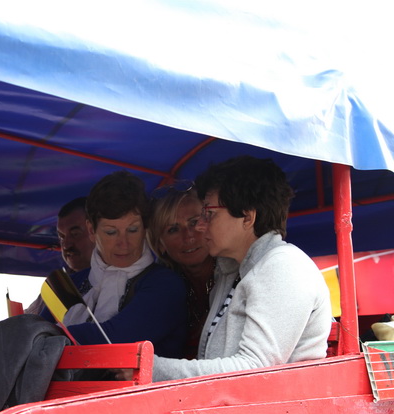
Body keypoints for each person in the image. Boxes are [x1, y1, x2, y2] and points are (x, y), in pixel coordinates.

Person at [153, 156, 332, 381]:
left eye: (209, 214)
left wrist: (151, 369)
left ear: (247, 217)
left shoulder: (283, 265)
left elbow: (253, 370)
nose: (200, 226)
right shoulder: (232, 271)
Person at [43, 170, 187, 358]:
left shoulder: (165, 284)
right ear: (91, 230)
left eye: (132, 230)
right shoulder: (68, 285)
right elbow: (35, 327)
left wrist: (42, 338)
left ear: (145, 228)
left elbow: (115, 339)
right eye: (111, 232)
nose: (123, 243)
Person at [147, 186, 216, 358]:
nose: (189, 236)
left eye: (194, 222)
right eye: (173, 229)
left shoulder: (237, 273)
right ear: (160, 244)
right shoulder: (159, 289)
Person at [25, 197, 95, 314]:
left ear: (98, 232)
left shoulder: (118, 278)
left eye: (75, 234)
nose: (66, 245)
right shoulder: (59, 284)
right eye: (61, 237)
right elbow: (29, 319)